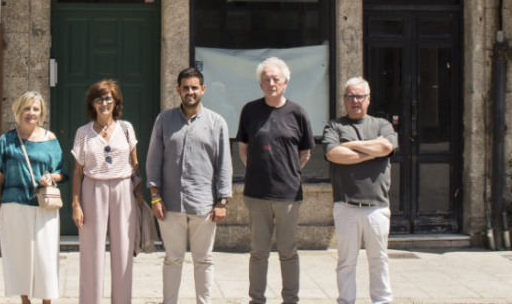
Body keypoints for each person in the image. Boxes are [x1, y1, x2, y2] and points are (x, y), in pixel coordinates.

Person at [147, 68, 232, 304]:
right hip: (169, 204)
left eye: (194, 87)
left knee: (204, 259)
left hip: (204, 205)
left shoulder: (217, 122)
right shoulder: (164, 120)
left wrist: (222, 201)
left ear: (202, 90)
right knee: (172, 258)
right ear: (178, 90)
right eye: (185, 88)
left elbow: (224, 164)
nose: (190, 92)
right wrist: (155, 197)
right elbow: (153, 160)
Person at [236, 57, 314, 304]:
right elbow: (243, 149)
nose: (271, 83)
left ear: (285, 82)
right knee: (258, 252)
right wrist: (261, 171)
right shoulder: (250, 110)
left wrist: (286, 173)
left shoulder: (298, 112)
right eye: (266, 79)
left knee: (288, 252)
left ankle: (290, 299)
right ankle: (256, 299)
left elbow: (306, 153)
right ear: (260, 84)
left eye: (275, 79)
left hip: (288, 195)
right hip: (256, 194)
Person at [321, 77, 398, 304]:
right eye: (350, 97)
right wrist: (373, 151)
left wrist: (350, 145)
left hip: (377, 207)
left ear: (368, 99)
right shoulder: (335, 126)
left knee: (379, 260)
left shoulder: (382, 125)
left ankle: (382, 301)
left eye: (360, 96)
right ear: (344, 100)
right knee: (346, 262)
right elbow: (333, 154)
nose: (355, 101)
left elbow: (387, 146)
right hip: (346, 205)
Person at [0, 91, 68, 304]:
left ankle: (46, 302)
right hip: (13, 206)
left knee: (45, 258)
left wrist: (50, 176)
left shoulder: (50, 138)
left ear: (41, 112)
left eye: (35, 109)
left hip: (45, 207)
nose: (31, 113)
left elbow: (62, 172)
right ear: (18, 110)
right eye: (27, 108)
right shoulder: (6, 140)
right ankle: (25, 301)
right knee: (19, 257)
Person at [71, 80, 142, 304]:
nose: (104, 103)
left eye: (108, 98)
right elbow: (77, 172)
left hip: (123, 189)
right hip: (93, 189)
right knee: (91, 254)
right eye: (99, 99)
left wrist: (139, 197)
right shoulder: (83, 132)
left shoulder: (127, 128)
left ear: (116, 102)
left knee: (123, 253)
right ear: (92, 103)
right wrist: (76, 204)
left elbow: (135, 164)